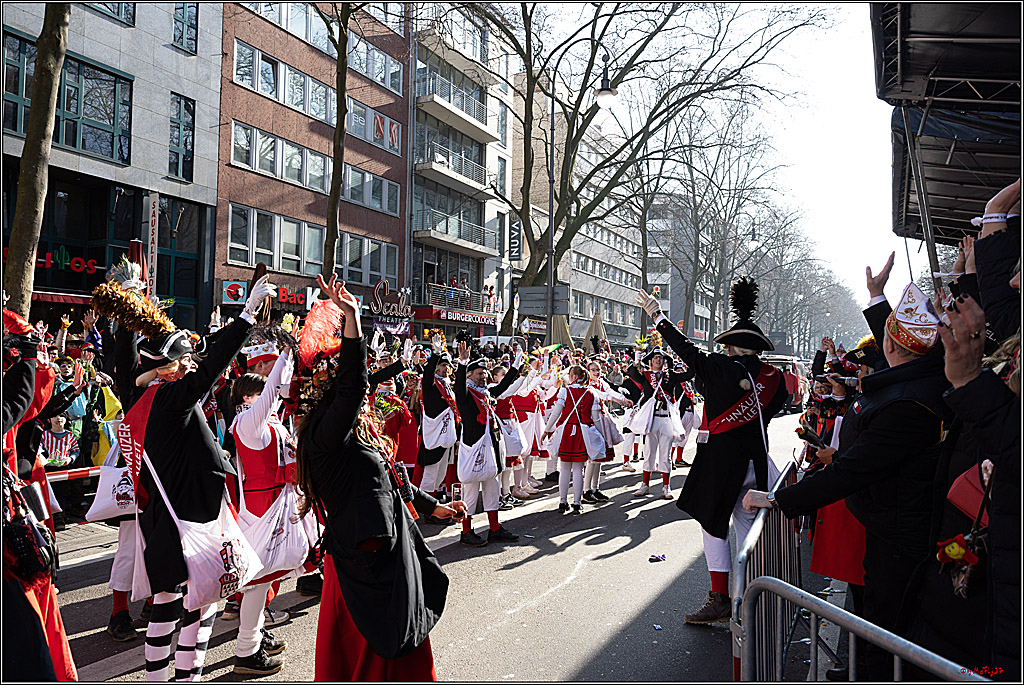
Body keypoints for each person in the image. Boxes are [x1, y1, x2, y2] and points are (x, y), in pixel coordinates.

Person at [743, 279, 952, 680]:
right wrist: (877, 300)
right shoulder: (921, 379)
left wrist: (779, 500)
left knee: (884, 625)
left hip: (899, 537)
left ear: (891, 349)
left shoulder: (905, 405)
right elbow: (903, 346)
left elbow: (852, 471)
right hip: (898, 523)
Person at [92, 271, 276, 682]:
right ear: (170, 368)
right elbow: (211, 366)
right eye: (184, 359)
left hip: (174, 513)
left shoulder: (144, 393)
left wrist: (129, 310)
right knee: (187, 602)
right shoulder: (170, 397)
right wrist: (245, 317)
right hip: (188, 515)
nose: (191, 362)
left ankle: (175, 677)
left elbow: (129, 361)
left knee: (184, 600)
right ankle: (171, 677)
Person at [293, 274, 464, 681]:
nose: (369, 387)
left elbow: (390, 478)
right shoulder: (323, 434)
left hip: (381, 550)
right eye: (356, 380)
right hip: (364, 562)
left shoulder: (353, 433)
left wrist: (433, 506)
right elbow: (354, 388)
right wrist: (352, 317)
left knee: (402, 650)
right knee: (371, 657)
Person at [636, 278, 787, 624]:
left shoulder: (719, 368)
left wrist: (658, 317)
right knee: (750, 531)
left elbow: (686, 350)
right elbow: (777, 405)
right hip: (757, 461)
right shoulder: (774, 377)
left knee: (713, 526)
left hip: (721, 464)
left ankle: (721, 599)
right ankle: (754, 600)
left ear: (732, 347)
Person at [227, 349, 297, 675]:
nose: (273, 400)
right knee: (256, 581)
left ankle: (253, 638)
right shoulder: (247, 422)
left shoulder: (266, 421)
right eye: (262, 393)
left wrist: (293, 361)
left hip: (273, 505)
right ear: (246, 397)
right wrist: (286, 352)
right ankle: (246, 650)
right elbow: (273, 393)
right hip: (259, 510)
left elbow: (279, 394)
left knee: (263, 578)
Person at [454, 341, 523, 547]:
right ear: (469, 376)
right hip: (473, 447)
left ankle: (494, 529)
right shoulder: (465, 395)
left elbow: (503, 386)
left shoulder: (486, 393)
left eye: (485, 373)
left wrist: (517, 364)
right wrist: (462, 363)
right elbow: (458, 388)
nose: (483, 376)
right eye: (478, 374)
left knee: (492, 489)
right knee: (471, 492)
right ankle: (466, 531)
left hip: (490, 447)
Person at [543, 364, 603, 514]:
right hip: (583, 431)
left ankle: (563, 502)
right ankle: (577, 503)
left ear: (573, 376)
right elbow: (596, 419)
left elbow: (556, 412)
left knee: (564, 468)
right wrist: (601, 436)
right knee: (578, 469)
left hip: (567, 430)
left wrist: (547, 430)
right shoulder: (592, 393)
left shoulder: (565, 391)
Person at [414, 335, 460, 524]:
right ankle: (427, 511)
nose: (445, 368)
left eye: (447, 365)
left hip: (447, 437)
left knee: (440, 475)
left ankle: (433, 507)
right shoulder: (432, 384)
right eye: (441, 365)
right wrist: (435, 354)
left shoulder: (449, 386)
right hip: (435, 436)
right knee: (430, 476)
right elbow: (426, 376)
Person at [582, 359, 631, 502]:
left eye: (598, 369)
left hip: (601, 419)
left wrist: (622, 398)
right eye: (593, 370)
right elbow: (602, 395)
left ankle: (595, 489)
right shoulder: (588, 385)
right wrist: (620, 400)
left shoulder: (601, 382)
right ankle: (586, 491)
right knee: (592, 457)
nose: (597, 372)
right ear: (588, 371)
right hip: (591, 421)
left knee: (599, 458)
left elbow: (609, 391)